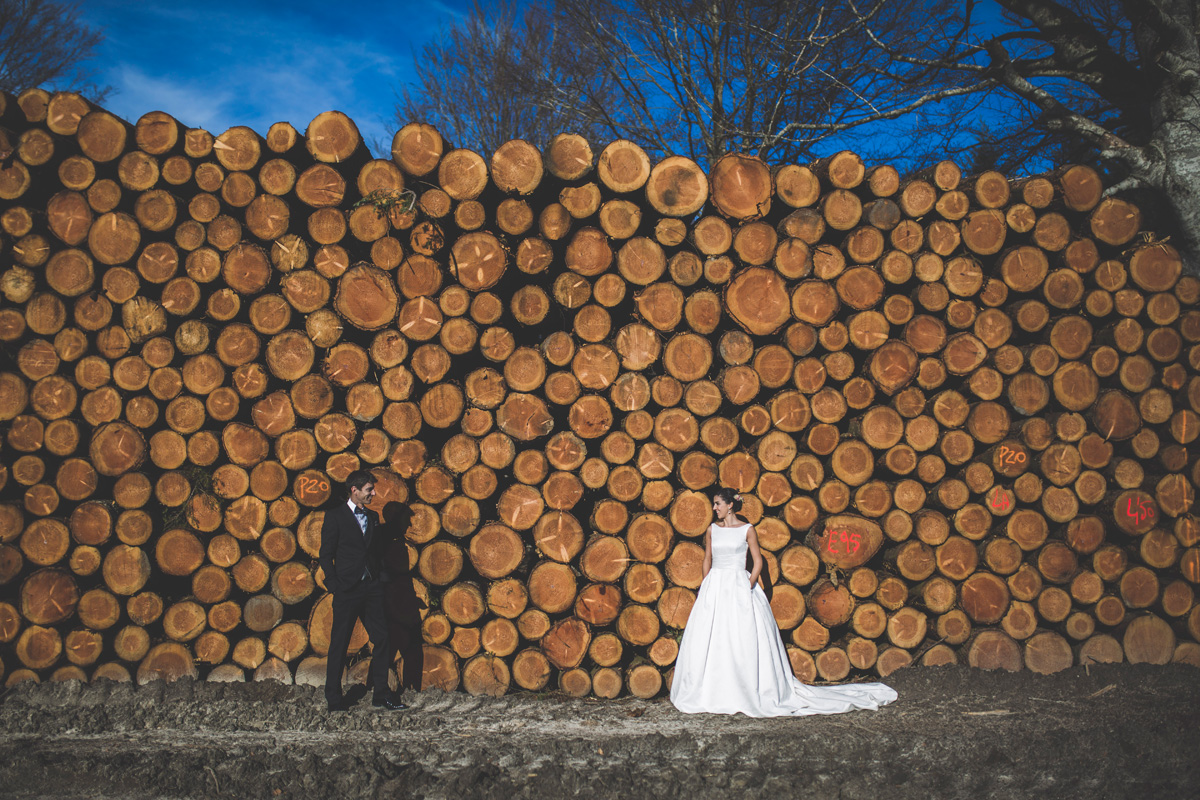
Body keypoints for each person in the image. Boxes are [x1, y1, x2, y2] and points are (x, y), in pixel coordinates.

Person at [670, 487, 897, 717]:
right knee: (714, 636)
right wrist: (707, 582)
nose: (714, 508)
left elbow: (757, 561)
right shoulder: (712, 530)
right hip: (716, 586)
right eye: (714, 504)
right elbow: (707, 557)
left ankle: (744, 688)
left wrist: (749, 582)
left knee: (741, 636)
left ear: (730, 505)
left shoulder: (747, 530)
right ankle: (713, 689)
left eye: (718, 503)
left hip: (739, 584)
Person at [319, 469, 406, 711]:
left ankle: (381, 694)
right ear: (354, 491)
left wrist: (381, 578)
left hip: (371, 588)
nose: (373, 493)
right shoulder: (335, 517)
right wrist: (334, 584)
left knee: (382, 639)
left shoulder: (373, 516)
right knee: (340, 643)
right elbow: (325, 555)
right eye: (369, 489)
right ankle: (334, 699)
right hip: (346, 590)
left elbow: (375, 551)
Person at [380, 501, 424, 693]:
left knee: (398, 646)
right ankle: (381, 689)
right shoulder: (385, 540)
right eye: (406, 520)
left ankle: (406, 687)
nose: (409, 525)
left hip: (398, 601)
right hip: (389, 602)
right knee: (390, 647)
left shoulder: (392, 540)